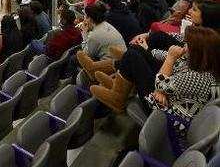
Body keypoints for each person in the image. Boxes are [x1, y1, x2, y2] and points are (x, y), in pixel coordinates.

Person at [92, 26, 220, 118]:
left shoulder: (197, 77)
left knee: (132, 56)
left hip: (162, 112)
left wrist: (170, 59)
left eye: (187, 44)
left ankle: (117, 98)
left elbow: (160, 82)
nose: (183, 46)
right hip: (166, 93)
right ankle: (120, 86)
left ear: (198, 52)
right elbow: (164, 70)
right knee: (137, 50)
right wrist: (147, 50)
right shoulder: (200, 64)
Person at [76, 2, 126, 82]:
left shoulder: (95, 35)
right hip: (120, 64)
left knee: (74, 59)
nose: (85, 19)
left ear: (90, 18)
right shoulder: (107, 25)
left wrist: (84, 34)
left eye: (86, 16)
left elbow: (87, 54)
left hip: (109, 69)